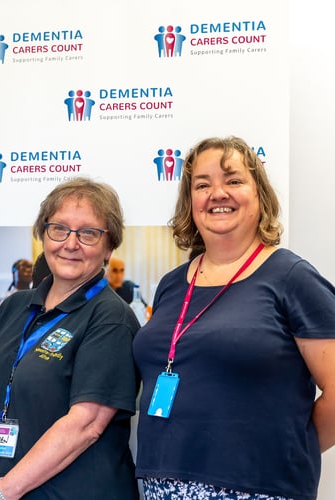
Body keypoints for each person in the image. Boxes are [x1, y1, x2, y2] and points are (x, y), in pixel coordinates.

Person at [133, 136, 335, 500]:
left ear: (260, 196)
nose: (217, 193)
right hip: (161, 485)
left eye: (234, 180)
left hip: (257, 488)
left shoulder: (291, 277)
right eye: (203, 185)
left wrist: (292, 451)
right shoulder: (172, 284)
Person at [0, 177, 140, 500]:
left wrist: (3, 490)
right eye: (59, 229)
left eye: (88, 233)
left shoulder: (111, 318)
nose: (71, 244)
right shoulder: (13, 307)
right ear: (43, 235)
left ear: (109, 246)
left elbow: (86, 425)